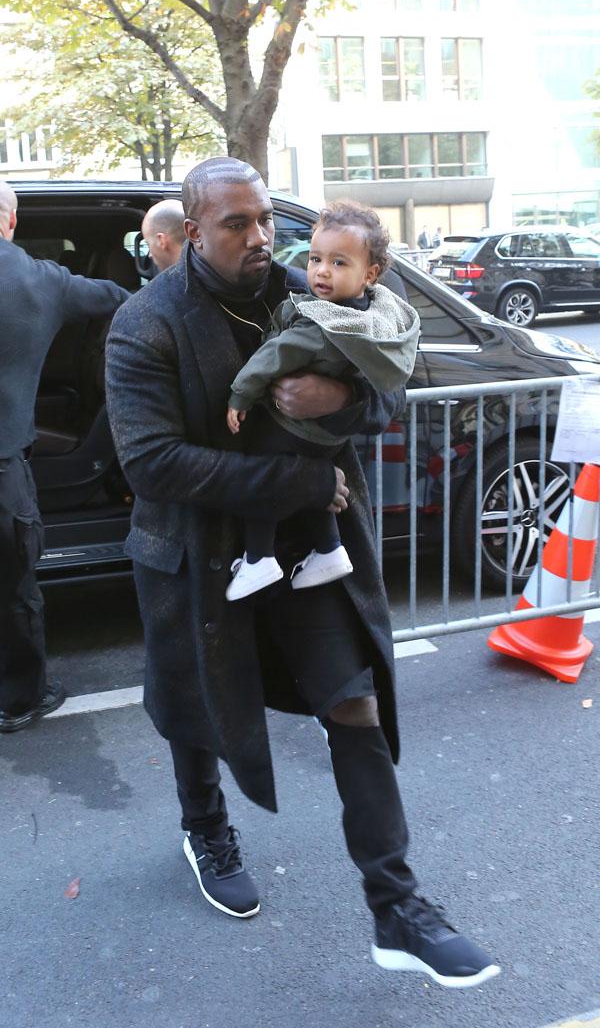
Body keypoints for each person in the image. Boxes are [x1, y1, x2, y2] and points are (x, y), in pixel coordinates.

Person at [105, 156, 500, 989]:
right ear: (192, 230)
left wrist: (343, 406)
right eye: (236, 225)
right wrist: (301, 478)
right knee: (195, 704)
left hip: (310, 552)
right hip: (197, 556)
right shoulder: (145, 322)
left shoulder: (311, 285)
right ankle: (205, 824)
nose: (261, 238)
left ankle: (397, 908)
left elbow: (391, 380)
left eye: (263, 220)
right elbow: (152, 464)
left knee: (352, 701)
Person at [224, 200, 420, 600]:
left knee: (262, 472)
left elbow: (274, 354)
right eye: (315, 259)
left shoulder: (323, 316)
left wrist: (243, 393)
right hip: (322, 443)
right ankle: (328, 549)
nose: (322, 271)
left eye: (338, 263)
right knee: (317, 488)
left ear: (370, 274)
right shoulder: (370, 316)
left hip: (297, 428)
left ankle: (259, 557)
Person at [0, 181, 130, 733]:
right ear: (9, 221)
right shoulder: (36, 279)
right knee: (13, 587)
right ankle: (20, 699)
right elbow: (116, 299)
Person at [141, 199, 186, 272]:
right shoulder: (208, 270)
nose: (150, 255)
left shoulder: (166, 282)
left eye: (148, 244)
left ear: (161, 240)